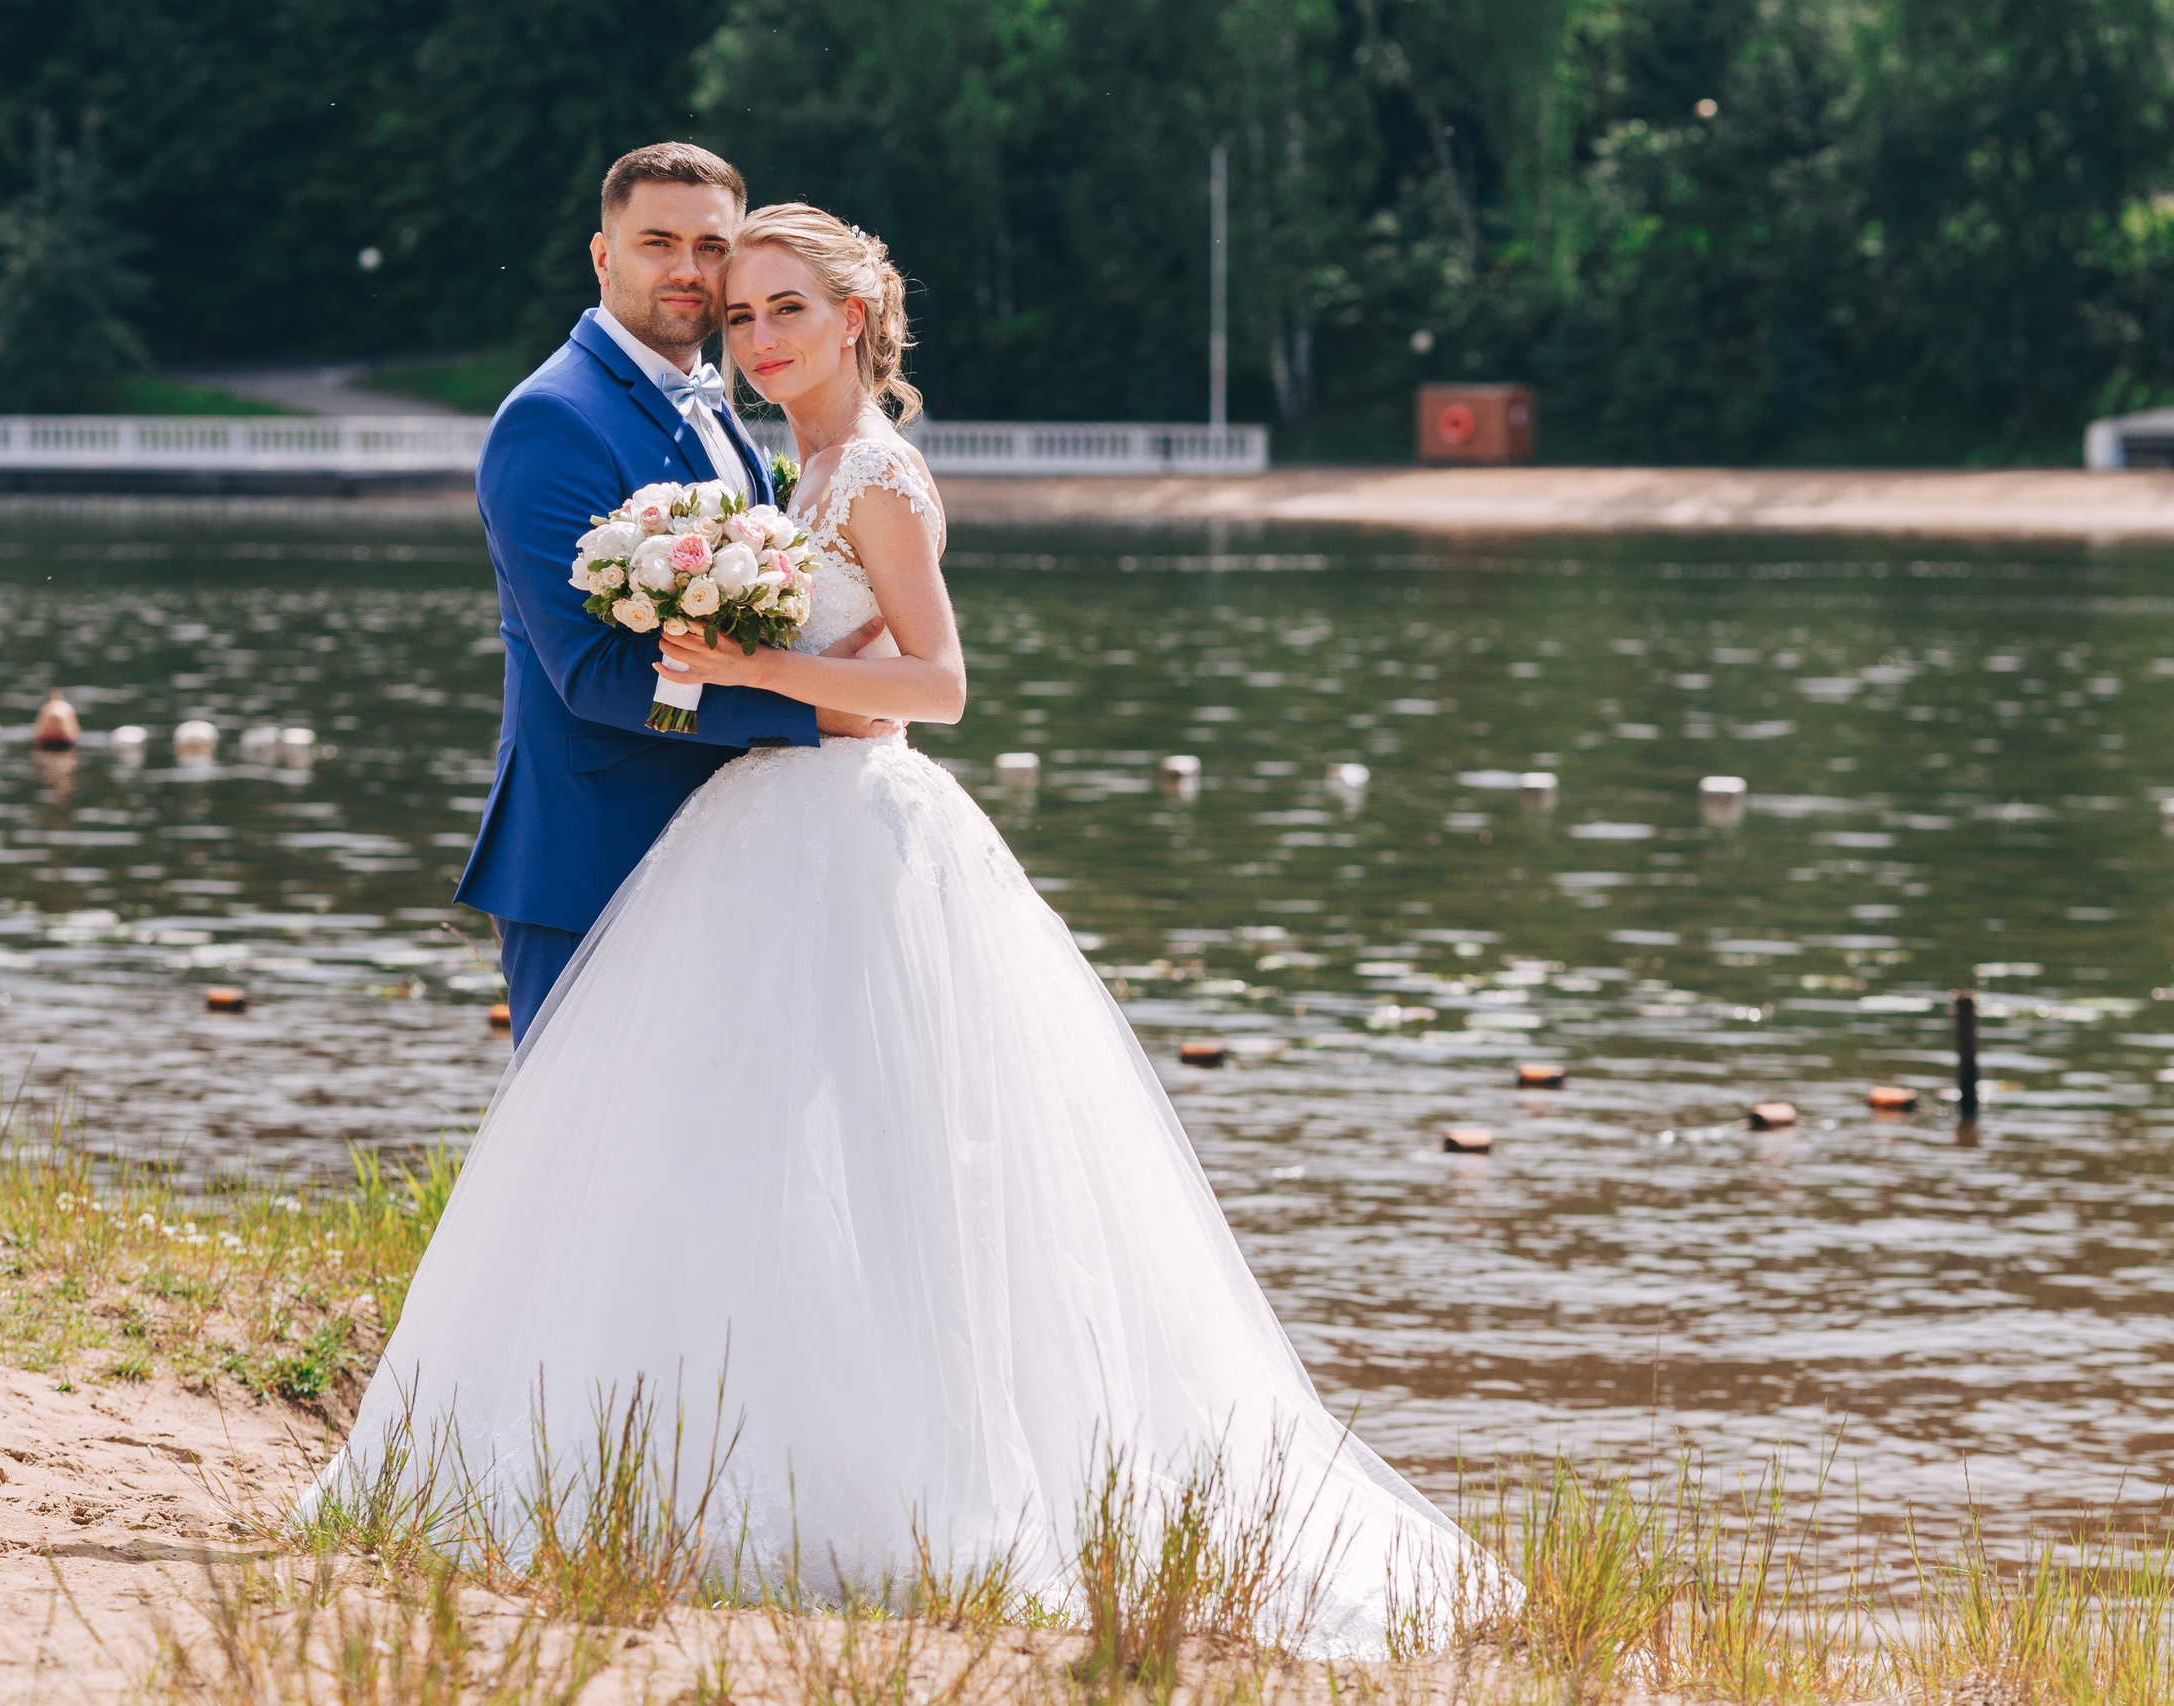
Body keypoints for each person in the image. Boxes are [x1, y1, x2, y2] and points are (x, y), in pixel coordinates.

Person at [318, 199, 1466, 1653]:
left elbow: (938, 684)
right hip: (748, 834)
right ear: (609, 256)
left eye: (780, 307)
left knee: (891, 1160)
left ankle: (881, 1480)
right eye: (742, 314)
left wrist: (765, 672)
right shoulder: (754, 454)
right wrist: (763, 673)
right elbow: (651, 670)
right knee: (735, 1176)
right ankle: (691, 1458)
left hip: (850, 836)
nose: (753, 331)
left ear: (854, 319)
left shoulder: (868, 472)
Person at [452, 142, 897, 1041]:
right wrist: (812, 713)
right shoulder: (555, 419)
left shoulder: (717, 401)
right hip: (593, 855)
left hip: (722, 851)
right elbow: (595, 676)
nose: (688, 271)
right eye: (658, 242)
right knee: (586, 1162)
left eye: (709, 246)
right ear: (603, 254)